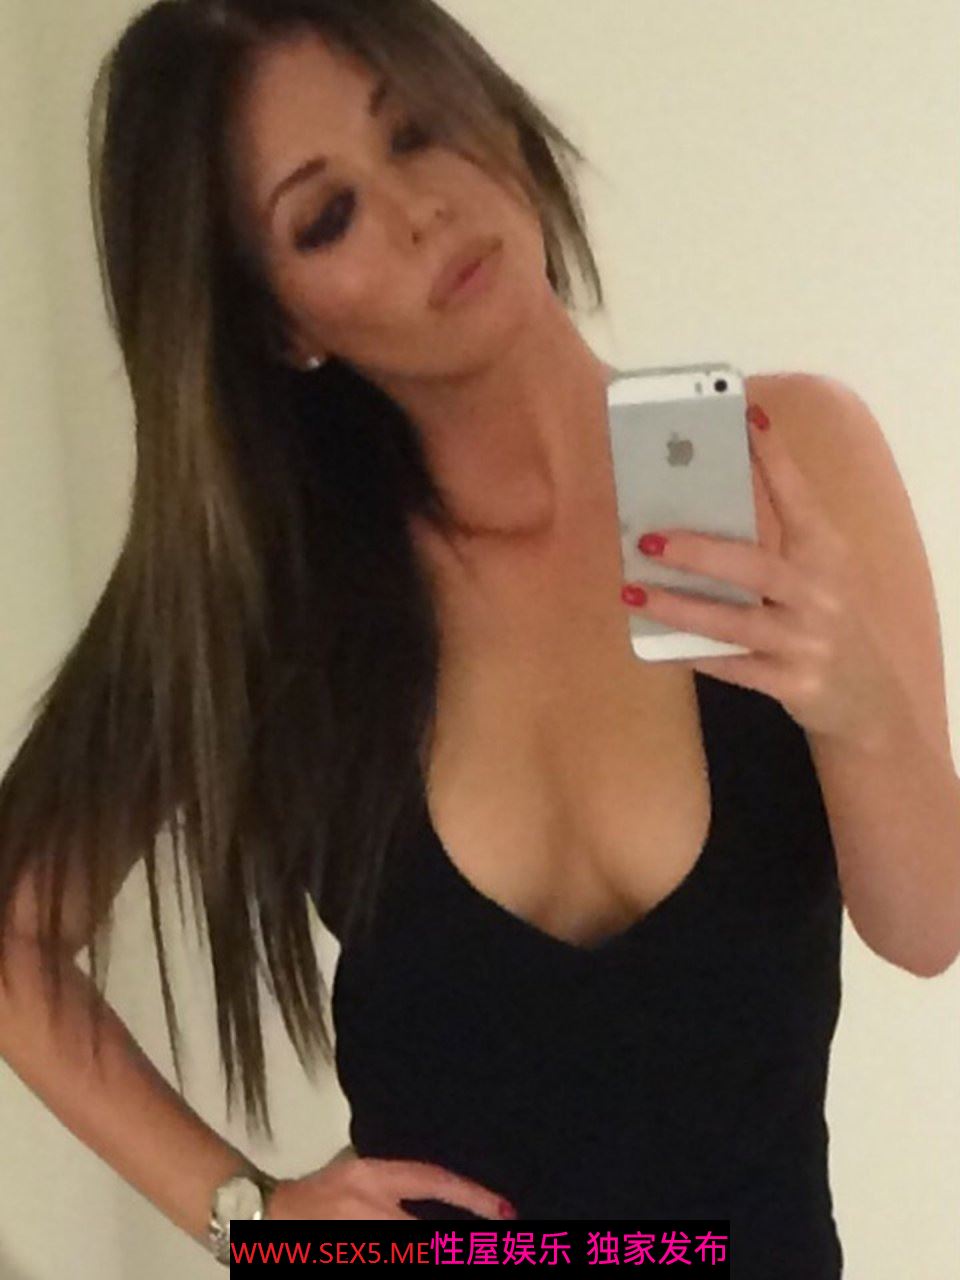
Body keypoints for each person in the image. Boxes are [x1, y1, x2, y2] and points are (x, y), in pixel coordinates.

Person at [9, 0, 953, 1274]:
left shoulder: (791, 458)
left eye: (414, 129)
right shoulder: (274, 594)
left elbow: (925, 925)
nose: (420, 208)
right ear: (283, 321)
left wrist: (861, 706)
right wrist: (248, 1214)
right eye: (326, 215)